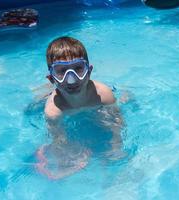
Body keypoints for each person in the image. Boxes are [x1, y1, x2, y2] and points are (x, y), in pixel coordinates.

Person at [40, 36, 125, 179]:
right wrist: (66, 162)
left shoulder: (103, 95)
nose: (71, 79)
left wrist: (115, 150)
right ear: (52, 78)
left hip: (97, 97)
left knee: (126, 97)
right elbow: (59, 141)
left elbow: (117, 125)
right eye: (61, 71)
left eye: (78, 68)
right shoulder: (54, 111)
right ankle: (42, 92)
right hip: (54, 96)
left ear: (89, 71)